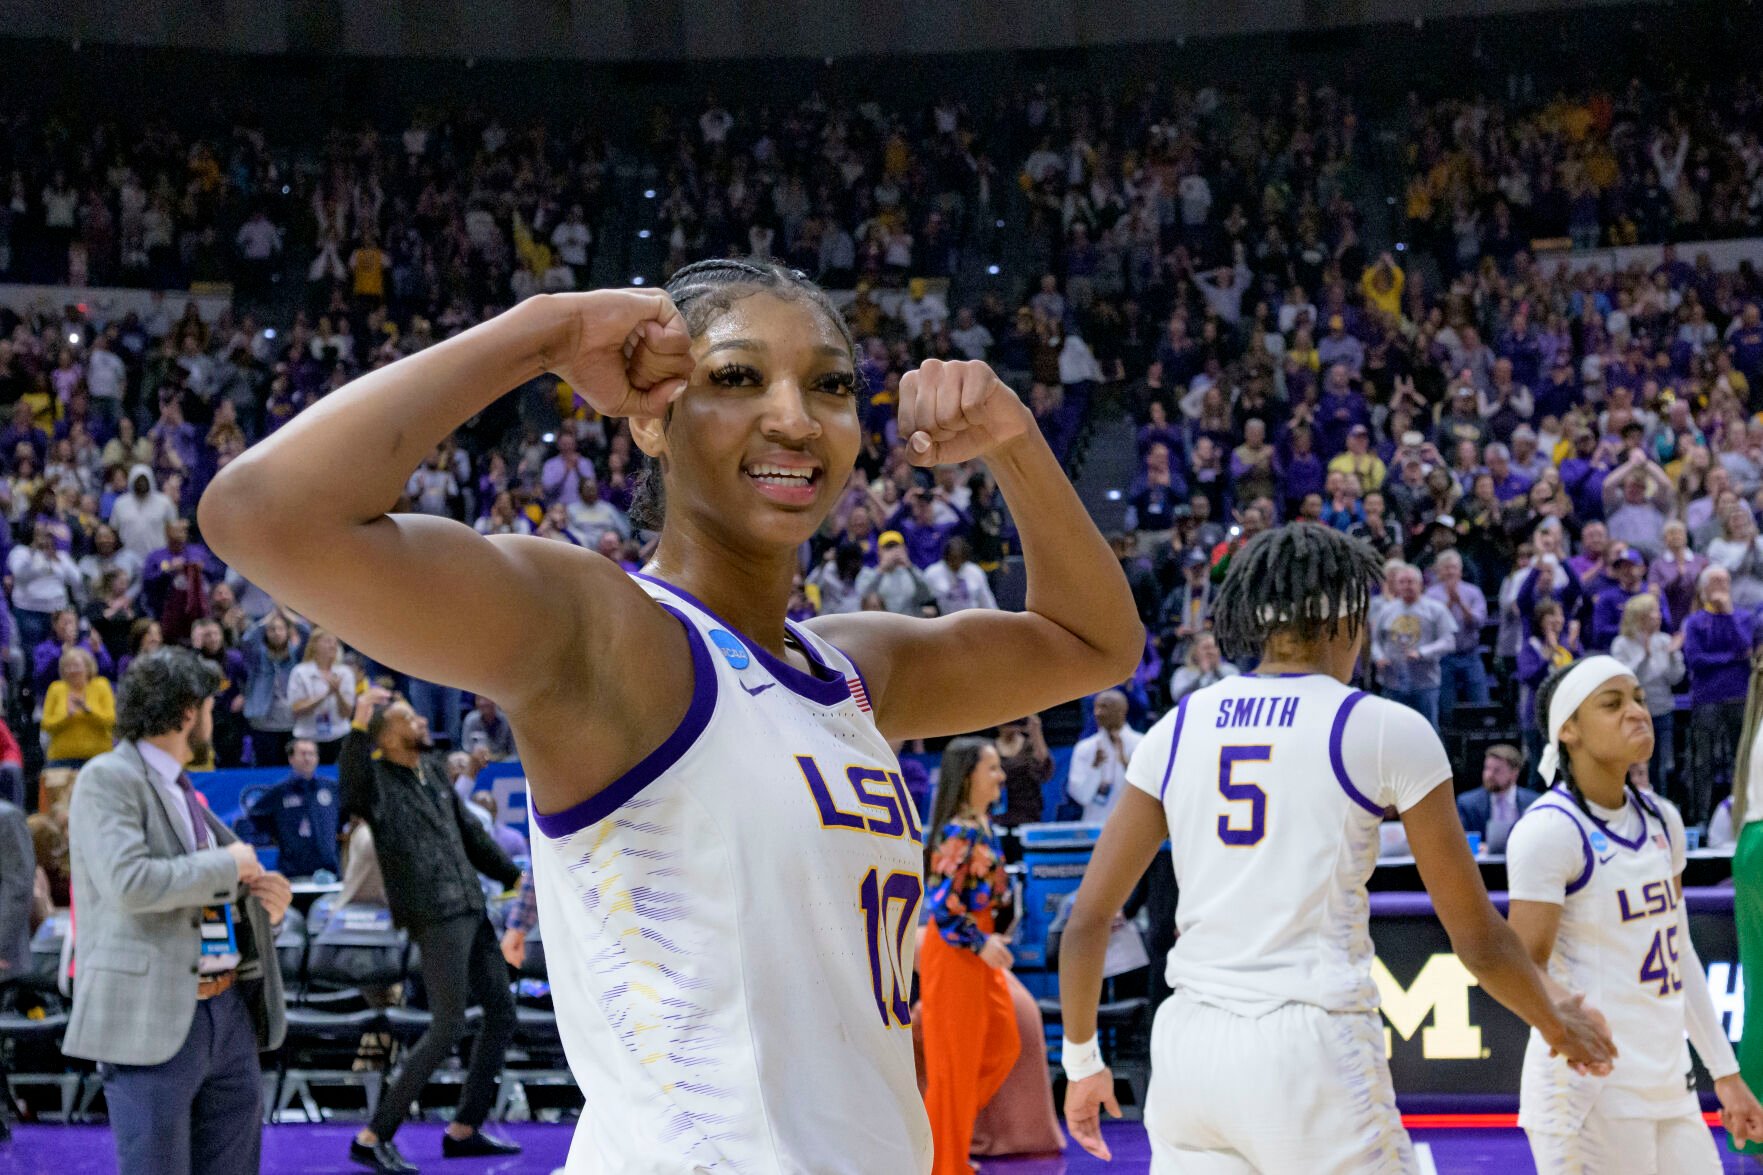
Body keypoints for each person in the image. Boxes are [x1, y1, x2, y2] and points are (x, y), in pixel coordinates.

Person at [201, 262, 1140, 1173]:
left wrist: (1014, 440)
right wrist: (547, 333)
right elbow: (264, 514)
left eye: (830, 384)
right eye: (736, 376)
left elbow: (1091, 642)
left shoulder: (850, 666)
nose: (793, 415)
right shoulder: (604, 634)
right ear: (650, 416)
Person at [1058, 523, 1614, 1170]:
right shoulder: (1381, 726)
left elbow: (1087, 920)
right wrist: (1552, 1021)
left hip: (1189, 1050)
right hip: (1308, 1041)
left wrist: (1081, 1060)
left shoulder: (1173, 728)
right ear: (1345, 616)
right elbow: (1478, 938)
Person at [1507, 658, 1763, 1171]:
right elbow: (1521, 963)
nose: (1636, 713)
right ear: (1569, 730)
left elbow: (1678, 950)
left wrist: (1726, 1072)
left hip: (1670, 1088)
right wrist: (1564, 1014)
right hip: (1587, 1096)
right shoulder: (1549, 830)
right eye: (1613, 703)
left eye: (1640, 699)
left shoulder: (1662, 818)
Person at [62, 648, 292, 1175]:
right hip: (151, 1015)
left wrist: (263, 908)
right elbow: (131, 884)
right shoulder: (107, 778)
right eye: (209, 706)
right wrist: (226, 865)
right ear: (189, 711)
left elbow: (206, 895)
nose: (214, 717)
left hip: (227, 1010)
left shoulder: (183, 789)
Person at [338, 688, 522, 1172]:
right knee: (447, 1025)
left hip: (469, 903)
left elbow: (470, 833)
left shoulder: (434, 772)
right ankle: (372, 1135)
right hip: (433, 912)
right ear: (383, 735)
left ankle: (464, 1129)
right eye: (407, 718)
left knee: (502, 1012)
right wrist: (357, 724)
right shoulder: (375, 779)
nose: (422, 720)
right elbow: (350, 789)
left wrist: (512, 874)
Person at [921, 738, 1020, 1175]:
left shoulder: (980, 825)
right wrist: (981, 942)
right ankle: (944, 1162)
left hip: (978, 949)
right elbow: (941, 904)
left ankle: (943, 1139)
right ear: (969, 777)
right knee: (953, 1069)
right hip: (956, 950)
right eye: (993, 768)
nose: (1000, 775)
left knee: (1002, 1044)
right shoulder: (959, 830)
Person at [1611, 593, 1686, 796]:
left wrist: (1672, 655)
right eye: (1653, 611)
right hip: (1634, 714)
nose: (1658, 616)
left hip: (1662, 710)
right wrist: (1644, 656)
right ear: (1640, 616)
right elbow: (1627, 679)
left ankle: (1660, 804)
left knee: (1663, 765)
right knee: (1636, 762)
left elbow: (1675, 678)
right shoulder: (1621, 644)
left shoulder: (1664, 640)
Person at [1370, 563, 1458, 727]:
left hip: (1425, 683)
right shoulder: (1386, 610)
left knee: (1427, 728)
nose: (1406, 586)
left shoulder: (1436, 609)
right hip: (1392, 683)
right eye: (1402, 582)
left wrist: (1422, 652)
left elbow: (1449, 641)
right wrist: (1379, 657)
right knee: (1392, 730)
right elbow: (1375, 641)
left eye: (1410, 582)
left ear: (1420, 583)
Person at [243, 738, 340, 879]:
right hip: (294, 871)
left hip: (329, 870)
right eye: (303, 754)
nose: (307, 758)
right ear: (291, 759)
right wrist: (274, 837)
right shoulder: (280, 792)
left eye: (312, 754)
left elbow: (344, 818)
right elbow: (254, 819)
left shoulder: (331, 789)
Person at [1066, 690, 1143, 824]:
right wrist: (1094, 768)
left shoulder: (1141, 744)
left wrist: (1126, 764)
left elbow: (1150, 791)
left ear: (1122, 710)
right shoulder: (1085, 747)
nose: (1098, 713)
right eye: (1096, 707)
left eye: (1104, 707)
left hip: (1132, 825)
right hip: (1095, 826)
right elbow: (1081, 797)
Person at [285, 627, 354, 764]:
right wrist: (325, 695)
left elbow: (347, 713)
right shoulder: (300, 672)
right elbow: (296, 709)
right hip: (308, 738)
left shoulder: (344, 672)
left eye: (335, 642)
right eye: (328, 641)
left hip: (339, 736)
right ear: (314, 645)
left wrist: (338, 693)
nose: (333, 645)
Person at [1455, 744, 1541, 853]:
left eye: (1497, 770)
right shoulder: (1467, 803)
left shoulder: (1533, 802)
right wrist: (1478, 847)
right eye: (1487, 768)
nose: (1489, 775)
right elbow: (1461, 842)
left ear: (1514, 773)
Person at [41, 648, 116, 768]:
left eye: (76, 666)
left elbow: (111, 721)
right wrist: (66, 716)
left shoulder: (101, 685)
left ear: (87, 667)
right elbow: (46, 724)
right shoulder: (55, 689)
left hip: (98, 757)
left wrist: (90, 712)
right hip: (62, 759)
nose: (72, 670)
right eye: (68, 667)